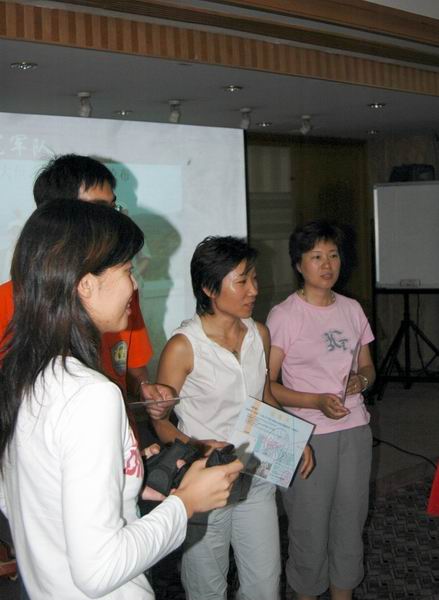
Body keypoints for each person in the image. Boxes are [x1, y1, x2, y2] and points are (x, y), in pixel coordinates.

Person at [0, 200, 243, 600]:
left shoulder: (23, 375)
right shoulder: (92, 395)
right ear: (85, 284)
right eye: (128, 270)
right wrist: (185, 503)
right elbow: (99, 571)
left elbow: (24, 500)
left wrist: (127, 480)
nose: (134, 286)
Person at [152, 235, 314, 600]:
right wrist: (196, 446)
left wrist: (293, 438)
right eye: (242, 281)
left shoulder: (259, 334)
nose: (254, 289)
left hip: (255, 472)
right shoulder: (184, 346)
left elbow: (265, 396)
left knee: (265, 585)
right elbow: (161, 422)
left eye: (254, 278)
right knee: (207, 588)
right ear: (209, 288)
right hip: (204, 480)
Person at [0, 154, 168, 406]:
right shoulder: (7, 300)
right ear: (58, 217)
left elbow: (133, 370)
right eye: (98, 209)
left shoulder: (120, 291)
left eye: (113, 208)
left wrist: (145, 389)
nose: (112, 219)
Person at [266, 220, 376, 600]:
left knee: (350, 525)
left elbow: (367, 367)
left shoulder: (351, 309)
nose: (327, 265)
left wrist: (360, 381)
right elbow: (267, 385)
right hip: (305, 436)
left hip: (355, 430)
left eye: (333, 255)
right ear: (299, 264)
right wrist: (314, 401)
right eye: (316, 257)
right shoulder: (284, 315)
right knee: (308, 530)